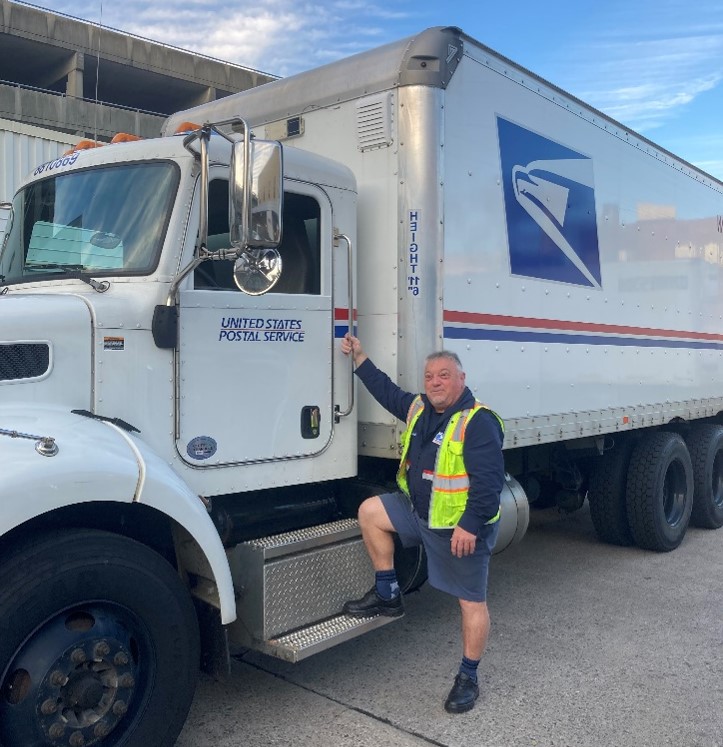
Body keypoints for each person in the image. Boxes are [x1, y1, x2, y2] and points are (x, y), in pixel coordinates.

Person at [340, 333, 505, 714]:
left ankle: (468, 677)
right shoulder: (419, 408)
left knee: (471, 603)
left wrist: (470, 524)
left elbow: (489, 484)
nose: (435, 382)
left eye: (444, 375)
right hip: (418, 514)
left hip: (456, 529)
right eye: (430, 376)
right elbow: (386, 392)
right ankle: (387, 593)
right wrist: (360, 357)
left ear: (461, 379)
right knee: (370, 512)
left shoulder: (477, 422)